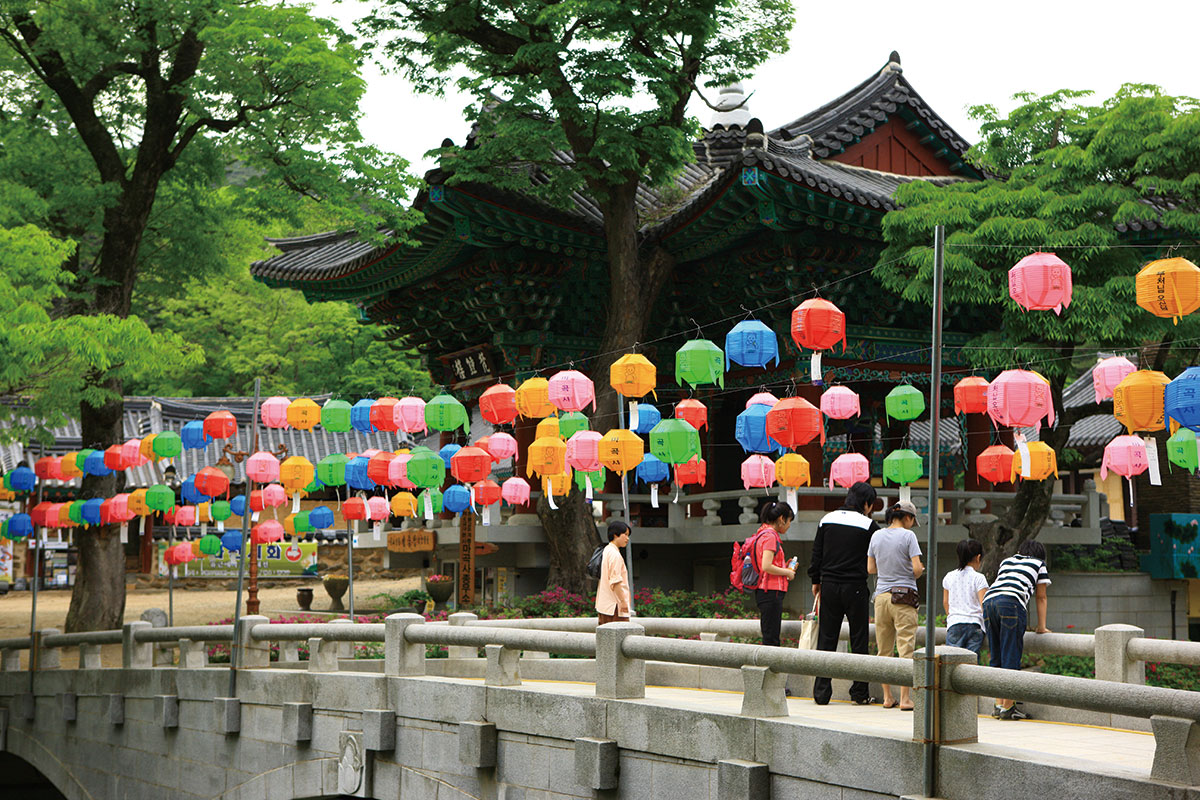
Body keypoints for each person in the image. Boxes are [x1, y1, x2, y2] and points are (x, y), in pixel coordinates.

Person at [809, 481, 879, 705]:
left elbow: (816, 553)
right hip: (856, 586)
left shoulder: (826, 519)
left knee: (826, 638)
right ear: (866, 503)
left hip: (828, 584)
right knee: (859, 640)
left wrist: (815, 580)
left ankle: (821, 693)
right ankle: (859, 693)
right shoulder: (869, 525)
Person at [982, 539, 1051, 720]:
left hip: (989, 602)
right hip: (1011, 604)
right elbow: (1041, 597)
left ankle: (998, 705)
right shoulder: (1039, 564)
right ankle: (1008, 707)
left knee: (996, 656)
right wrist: (1041, 627)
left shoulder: (1007, 561)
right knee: (1011, 655)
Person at [867, 500, 924, 710]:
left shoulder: (876, 536)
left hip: (881, 597)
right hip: (904, 597)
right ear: (907, 517)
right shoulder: (909, 536)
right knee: (906, 647)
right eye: (912, 520)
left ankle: (887, 697)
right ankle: (905, 698)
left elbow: (871, 568)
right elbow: (917, 569)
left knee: (884, 650)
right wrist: (914, 569)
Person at [753, 502, 797, 647]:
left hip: (765, 591)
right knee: (771, 638)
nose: (789, 525)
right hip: (770, 592)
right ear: (781, 519)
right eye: (789, 520)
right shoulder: (771, 536)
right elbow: (766, 566)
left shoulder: (762, 533)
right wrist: (788, 572)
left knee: (769, 633)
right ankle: (770, 668)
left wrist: (785, 566)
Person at [942, 539, 989, 661]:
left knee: (951, 663)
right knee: (971, 664)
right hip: (974, 624)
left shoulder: (949, 577)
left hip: (954, 623)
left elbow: (946, 603)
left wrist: (953, 615)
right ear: (978, 557)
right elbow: (984, 604)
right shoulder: (979, 578)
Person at [595, 520, 631, 625]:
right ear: (616, 535)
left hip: (604, 605)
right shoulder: (614, 554)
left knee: (604, 639)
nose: (627, 538)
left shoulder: (606, 550)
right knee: (620, 637)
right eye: (625, 534)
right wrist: (623, 602)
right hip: (614, 607)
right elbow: (616, 581)